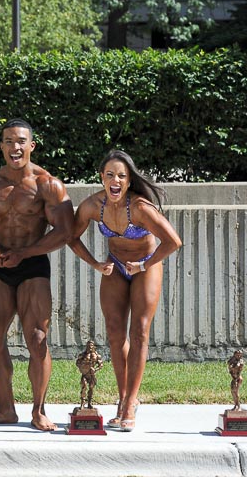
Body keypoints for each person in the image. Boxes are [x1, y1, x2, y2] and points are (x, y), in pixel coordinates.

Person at [0, 118, 73, 431]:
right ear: (1, 146)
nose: (15, 147)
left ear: (31, 145)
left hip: (33, 264)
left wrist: (26, 253)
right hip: (1, 263)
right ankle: (6, 408)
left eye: (21, 141)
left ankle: (39, 410)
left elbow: (65, 231)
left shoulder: (47, 184)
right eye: (9, 141)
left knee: (37, 339)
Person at [68, 150, 182, 431]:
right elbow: (71, 236)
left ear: (129, 181)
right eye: (110, 175)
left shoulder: (141, 207)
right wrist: (95, 263)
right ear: (101, 178)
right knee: (115, 332)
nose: (115, 180)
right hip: (116, 265)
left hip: (146, 265)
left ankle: (131, 401)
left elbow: (173, 241)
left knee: (139, 331)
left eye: (121, 176)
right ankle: (123, 398)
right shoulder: (93, 206)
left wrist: (144, 265)